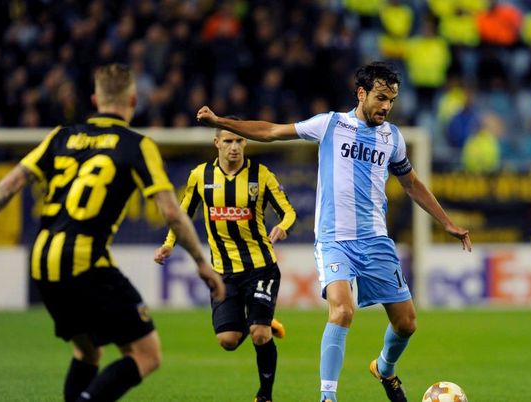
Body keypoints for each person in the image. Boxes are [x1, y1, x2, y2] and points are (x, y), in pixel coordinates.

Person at [196, 61, 471, 402]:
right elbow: (271, 131)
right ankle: (328, 397)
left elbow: (411, 184)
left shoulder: (393, 138)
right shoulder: (330, 125)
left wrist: (447, 223)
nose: (386, 106)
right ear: (362, 93)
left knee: (407, 324)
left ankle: (384, 368)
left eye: (392, 100)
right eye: (381, 97)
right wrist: (222, 121)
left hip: (375, 239)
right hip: (334, 240)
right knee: (342, 311)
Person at [0, 63, 224, 402]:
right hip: (84, 259)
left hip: (42, 259)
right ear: (133, 101)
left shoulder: (60, 135)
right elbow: (172, 211)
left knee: (89, 353)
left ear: (94, 99)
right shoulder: (135, 145)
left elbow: (5, 189)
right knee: (147, 356)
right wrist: (202, 262)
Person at [153, 121, 297, 402]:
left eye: (240, 141)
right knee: (228, 341)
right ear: (216, 143)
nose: (234, 147)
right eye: (228, 141)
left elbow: (289, 212)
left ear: (246, 144)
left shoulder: (261, 175)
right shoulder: (200, 176)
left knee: (258, 334)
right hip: (222, 272)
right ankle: (263, 320)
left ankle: (264, 396)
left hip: (261, 267)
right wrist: (168, 244)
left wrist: (283, 226)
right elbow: (181, 216)